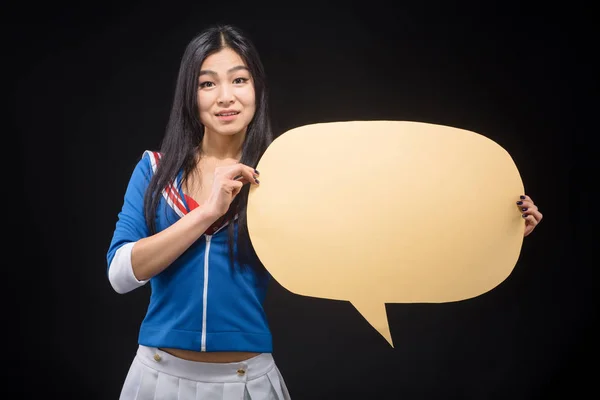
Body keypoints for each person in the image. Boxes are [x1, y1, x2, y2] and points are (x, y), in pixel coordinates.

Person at [106, 23, 543, 400]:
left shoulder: (286, 176)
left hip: (246, 381)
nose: (226, 96)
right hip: (157, 377)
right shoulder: (154, 170)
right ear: (190, 94)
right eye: (207, 83)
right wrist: (205, 212)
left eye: (239, 80)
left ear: (257, 87)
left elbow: (383, 233)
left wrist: (490, 229)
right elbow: (121, 274)